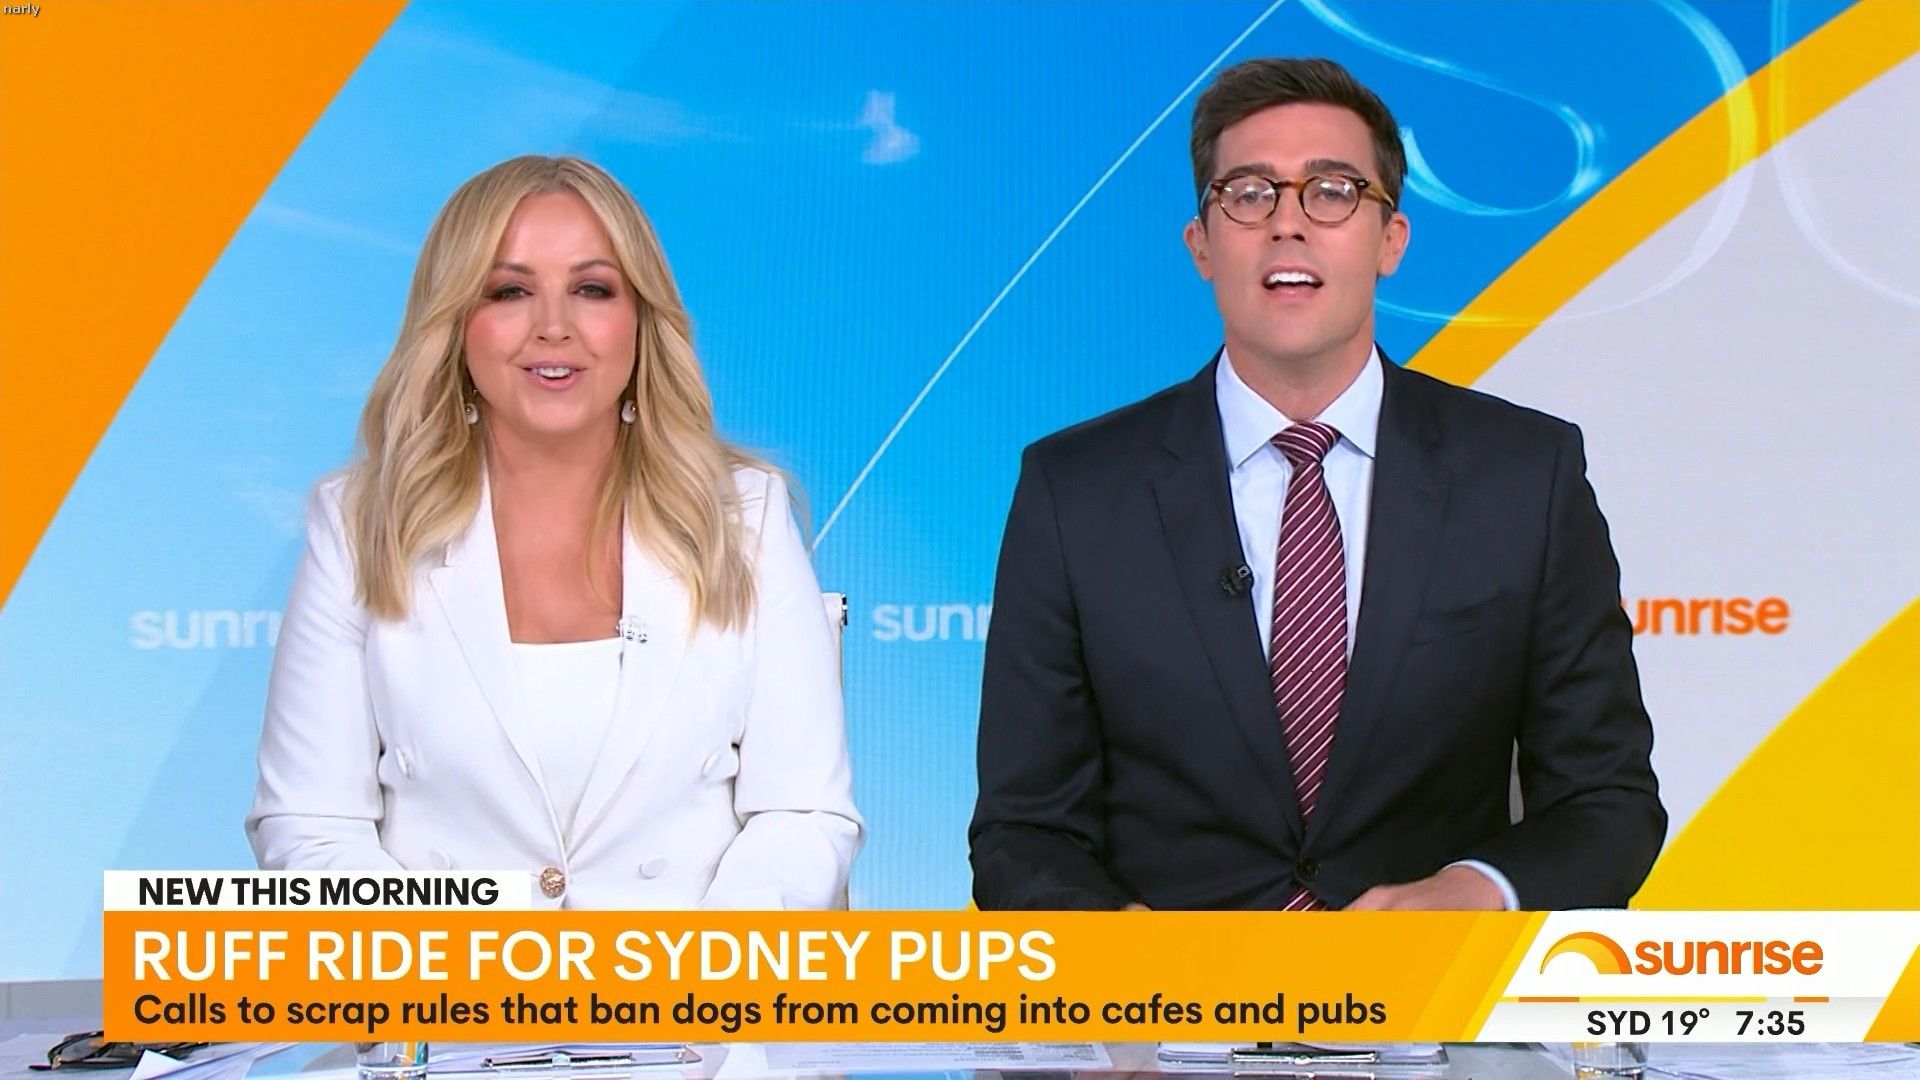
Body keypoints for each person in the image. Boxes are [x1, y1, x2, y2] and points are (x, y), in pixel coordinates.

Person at [970, 58, 1664, 912]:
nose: (1287, 223)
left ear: (1391, 239)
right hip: (1167, 994)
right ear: (1201, 245)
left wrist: (1470, 894)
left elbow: (1607, 804)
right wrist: (1119, 947)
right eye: (1249, 194)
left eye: (1332, 191)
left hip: (1436, 991)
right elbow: (1022, 831)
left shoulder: (1524, 475)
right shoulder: (1076, 490)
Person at [246, 155, 861, 909]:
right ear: (455, 324)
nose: (554, 328)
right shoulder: (358, 524)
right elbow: (311, 825)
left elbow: (801, 816)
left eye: (592, 289)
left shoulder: (746, 519)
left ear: (640, 320)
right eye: (509, 292)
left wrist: (695, 977)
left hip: (695, 982)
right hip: (442, 980)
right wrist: (467, 975)